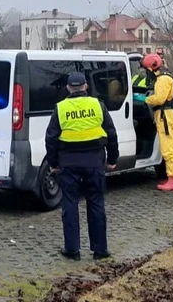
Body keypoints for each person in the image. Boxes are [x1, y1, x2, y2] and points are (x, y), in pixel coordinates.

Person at [45, 71, 118, 261]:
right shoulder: (97, 105)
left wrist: (53, 164)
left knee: (70, 205)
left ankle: (72, 250)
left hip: (68, 165)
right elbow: (111, 133)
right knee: (96, 203)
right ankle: (100, 250)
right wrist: (112, 159)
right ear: (85, 86)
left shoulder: (60, 109)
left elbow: (51, 139)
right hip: (94, 163)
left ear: (69, 88)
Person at [142, 53, 173, 192]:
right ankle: (172, 178)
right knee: (170, 147)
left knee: (168, 150)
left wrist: (145, 99)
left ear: (152, 67)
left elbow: (159, 99)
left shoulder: (162, 80)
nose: (146, 72)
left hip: (165, 116)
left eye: (146, 69)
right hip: (168, 115)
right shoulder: (167, 76)